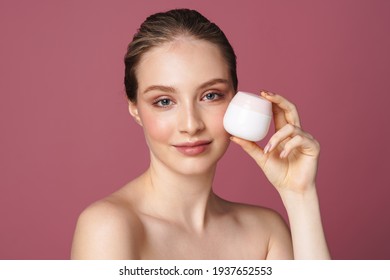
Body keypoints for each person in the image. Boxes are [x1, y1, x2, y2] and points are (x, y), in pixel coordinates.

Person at [71, 8, 330, 260]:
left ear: (235, 100)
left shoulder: (265, 232)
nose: (191, 124)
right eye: (164, 101)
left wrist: (300, 196)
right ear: (135, 109)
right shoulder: (108, 228)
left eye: (210, 96)